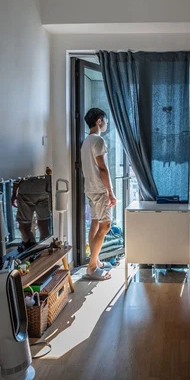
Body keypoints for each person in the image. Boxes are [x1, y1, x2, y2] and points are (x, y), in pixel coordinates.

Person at [81, 108, 117, 280]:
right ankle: (92, 267)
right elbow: (102, 168)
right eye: (106, 121)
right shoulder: (98, 140)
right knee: (106, 226)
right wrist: (110, 192)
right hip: (100, 189)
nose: (106, 124)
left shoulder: (86, 142)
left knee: (95, 223)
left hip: (90, 188)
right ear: (99, 121)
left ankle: (95, 261)